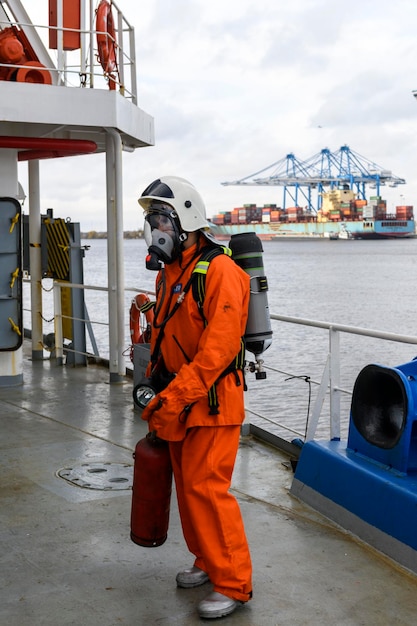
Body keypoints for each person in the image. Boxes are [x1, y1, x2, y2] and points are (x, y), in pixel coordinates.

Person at [138, 176, 253, 620]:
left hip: (213, 403)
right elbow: (164, 331)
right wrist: (152, 385)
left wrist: (177, 395)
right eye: (152, 220)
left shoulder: (221, 272)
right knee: (189, 491)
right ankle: (208, 560)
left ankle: (235, 583)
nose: (155, 229)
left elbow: (217, 352)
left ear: (185, 220)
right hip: (179, 401)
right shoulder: (172, 273)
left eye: (161, 219)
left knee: (209, 491)